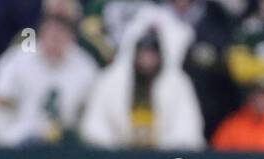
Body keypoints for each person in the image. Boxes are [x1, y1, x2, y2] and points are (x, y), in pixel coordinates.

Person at [79, 4, 205, 150]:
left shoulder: (178, 84)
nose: (147, 60)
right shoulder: (109, 81)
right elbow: (95, 126)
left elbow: (187, 131)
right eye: (144, 54)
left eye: (152, 55)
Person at [0, 0, 101, 146]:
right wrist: (7, 141)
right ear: (41, 33)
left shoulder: (86, 67)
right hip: (18, 145)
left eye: (61, 36)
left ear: (71, 38)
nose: (54, 42)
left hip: (68, 150)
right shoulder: (17, 59)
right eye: (51, 35)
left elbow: (95, 115)